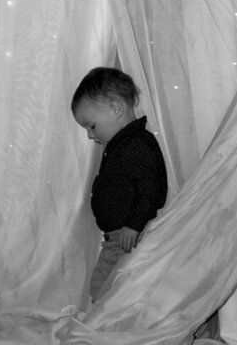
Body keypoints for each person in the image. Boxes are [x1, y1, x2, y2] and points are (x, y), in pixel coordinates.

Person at [71, 66, 168, 304]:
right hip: (119, 237)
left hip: (128, 237)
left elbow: (150, 190)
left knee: (105, 287)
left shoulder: (135, 145)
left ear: (116, 108)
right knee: (112, 287)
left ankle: (111, 326)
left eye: (91, 126)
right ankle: (116, 322)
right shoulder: (123, 144)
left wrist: (133, 226)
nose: (90, 136)